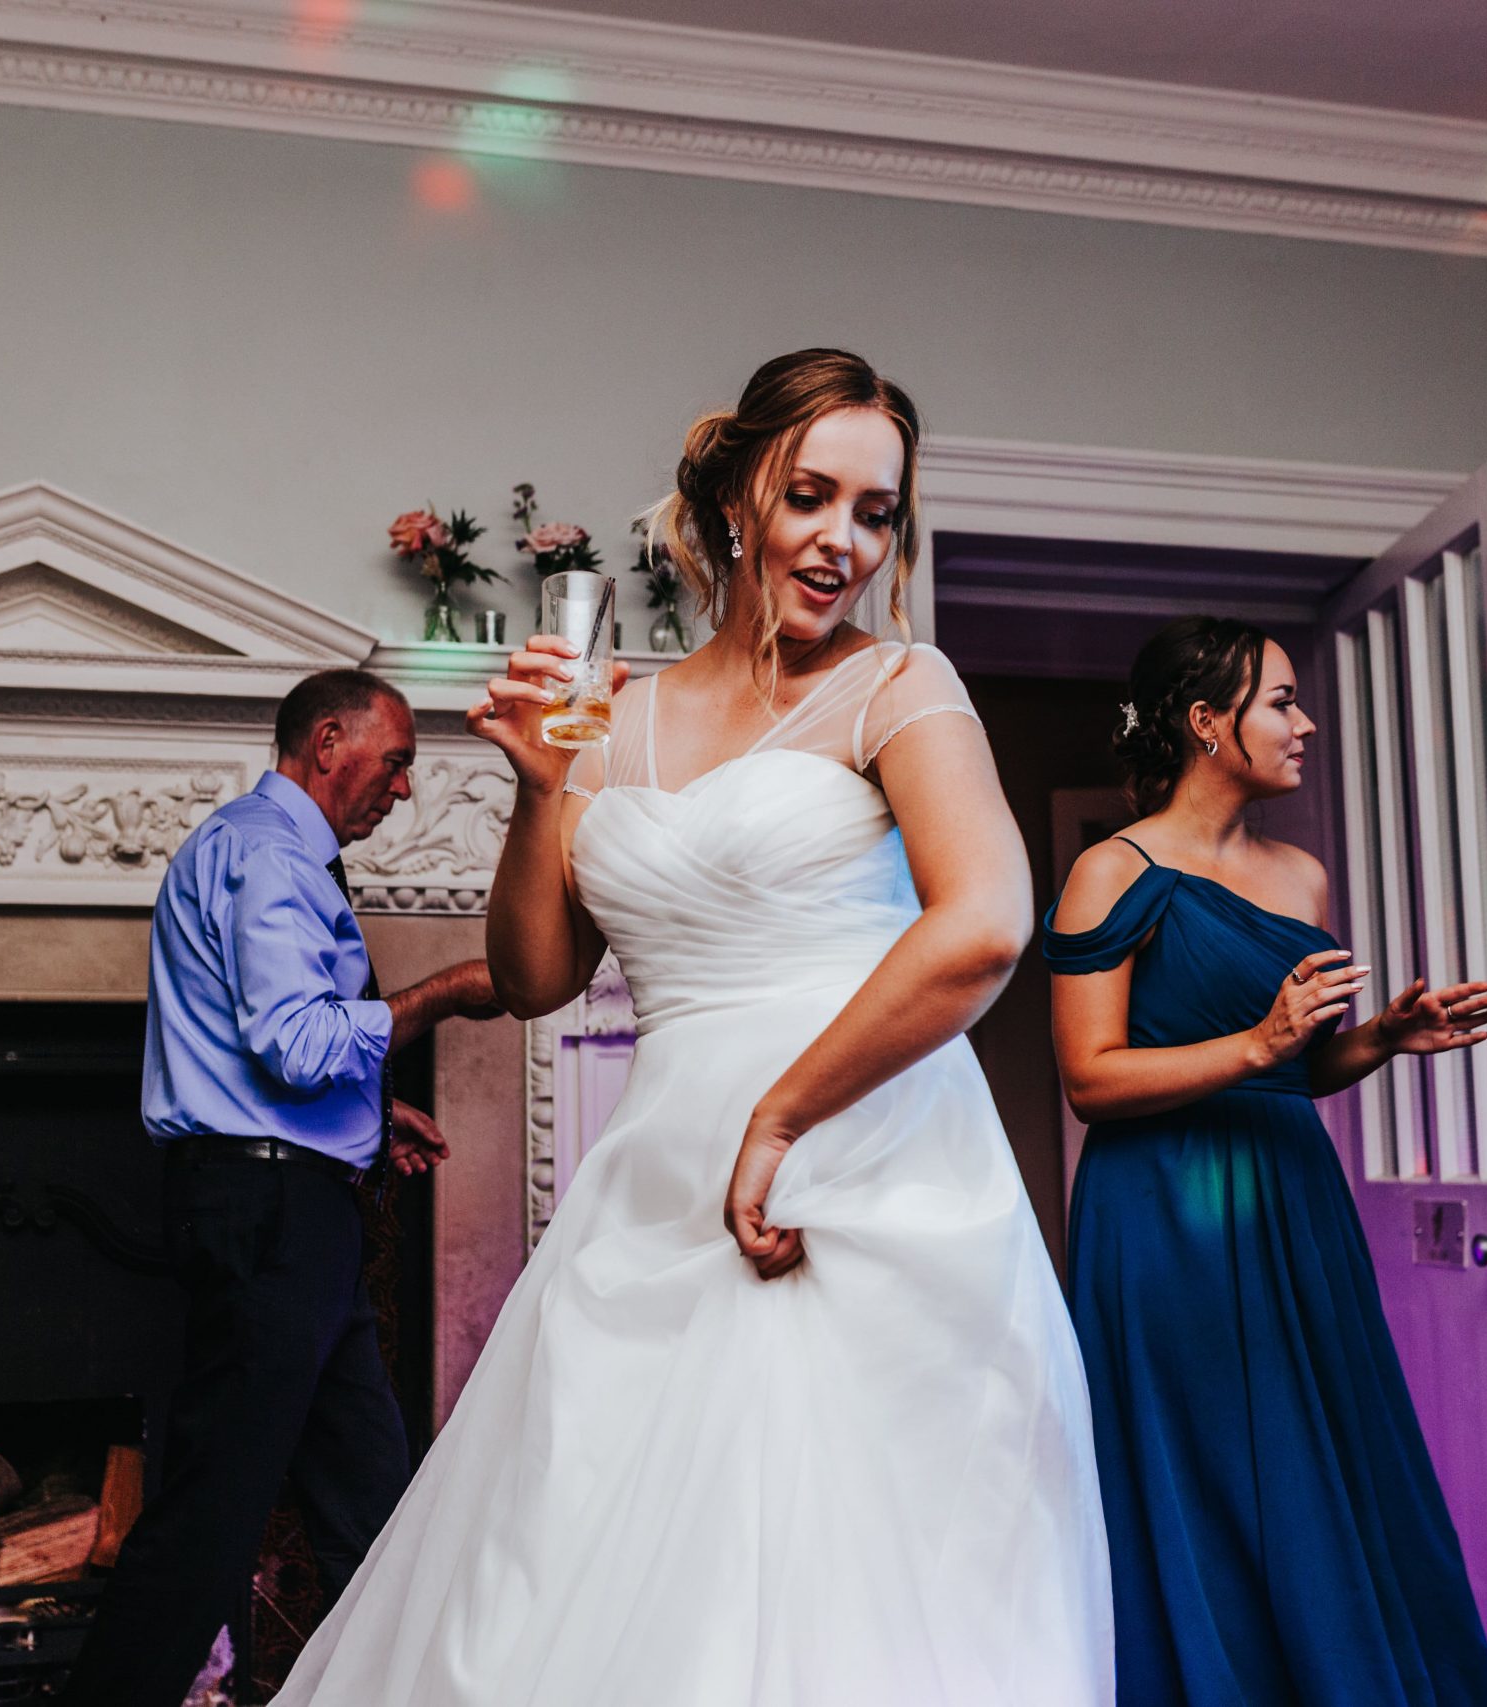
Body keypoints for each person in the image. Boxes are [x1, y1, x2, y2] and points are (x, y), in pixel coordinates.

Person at [272, 349, 1111, 1706]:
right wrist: (543, 790)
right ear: (734, 500)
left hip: (864, 1170)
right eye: (811, 495)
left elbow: (986, 926)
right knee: (592, 1579)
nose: (843, 539)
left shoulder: (901, 687)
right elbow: (538, 975)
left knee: (863, 1589)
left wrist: (779, 1115)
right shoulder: (614, 714)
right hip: (659, 1188)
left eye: (877, 511)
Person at [1046, 616, 1487, 1706]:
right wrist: (1258, 1039)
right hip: (1159, 1213)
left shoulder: (1301, 876)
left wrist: (1382, 1040)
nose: (1304, 724)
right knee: (1201, 1466)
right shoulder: (1109, 873)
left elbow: (1290, 1075)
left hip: (1293, 1196)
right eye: (1281, 703)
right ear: (1207, 723)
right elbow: (1090, 1078)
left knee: (1317, 1456)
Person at [63, 669, 499, 1707]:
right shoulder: (270, 856)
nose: (402, 790)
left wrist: (365, 1117)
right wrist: (444, 994)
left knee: (374, 1506)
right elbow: (296, 1044)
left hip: (289, 1210)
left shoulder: (250, 848)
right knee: (212, 1513)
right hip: (269, 1220)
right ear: (329, 741)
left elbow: (246, 1046)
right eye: (394, 763)